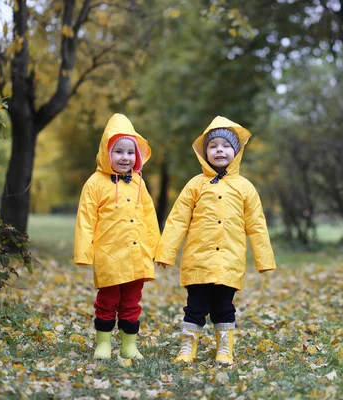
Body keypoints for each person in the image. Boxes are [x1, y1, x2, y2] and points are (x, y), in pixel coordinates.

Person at [155, 115, 276, 364]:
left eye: (225, 145)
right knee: (195, 307)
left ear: (236, 151)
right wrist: (166, 253)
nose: (219, 150)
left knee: (224, 307)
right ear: (204, 152)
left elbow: (256, 224)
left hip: (229, 261)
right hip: (197, 260)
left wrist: (264, 260)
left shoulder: (245, 188)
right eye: (213, 146)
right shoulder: (195, 185)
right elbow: (178, 220)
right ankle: (188, 349)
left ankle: (224, 349)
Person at [74, 113, 160, 360]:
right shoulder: (95, 183)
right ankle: (103, 343)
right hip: (109, 254)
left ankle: (129, 345)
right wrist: (84, 252)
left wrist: (156, 248)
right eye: (119, 151)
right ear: (106, 153)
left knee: (132, 302)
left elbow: (150, 217)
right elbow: (86, 219)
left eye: (130, 152)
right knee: (107, 300)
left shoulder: (139, 183)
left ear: (138, 156)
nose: (125, 157)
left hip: (136, 254)